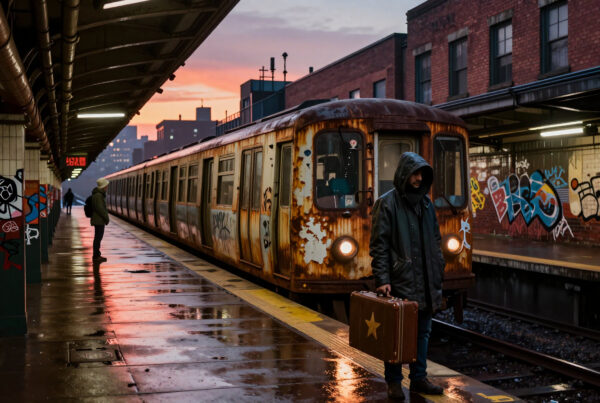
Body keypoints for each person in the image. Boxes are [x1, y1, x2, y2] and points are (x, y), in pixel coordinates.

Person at [369, 152, 445, 400]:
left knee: (423, 332)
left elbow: (435, 239)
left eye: (422, 174)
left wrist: (438, 265)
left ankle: (418, 379)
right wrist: (382, 279)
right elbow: (379, 245)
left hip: (424, 278)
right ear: (404, 174)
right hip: (401, 280)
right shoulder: (387, 203)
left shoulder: (426, 203)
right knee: (396, 334)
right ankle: (393, 382)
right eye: (414, 173)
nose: (418, 178)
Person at [91, 178, 110, 263]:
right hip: (99, 220)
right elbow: (100, 209)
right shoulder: (98, 196)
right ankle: (96, 256)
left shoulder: (98, 195)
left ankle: (97, 254)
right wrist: (106, 218)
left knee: (98, 238)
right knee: (98, 238)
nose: (107, 187)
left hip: (98, 220)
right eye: (106, 185)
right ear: (103, 186)